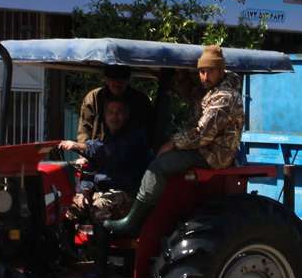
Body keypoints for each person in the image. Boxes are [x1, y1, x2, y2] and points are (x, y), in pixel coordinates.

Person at [104, 46, 244, 236]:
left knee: (160, 165)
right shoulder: (212, 91)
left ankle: (133, 221)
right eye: (201, 71)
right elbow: (190, 99)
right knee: (156, 154)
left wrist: (173, 143)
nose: (204, 76)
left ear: (220, 70)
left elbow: (202, 133)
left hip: (213, 154)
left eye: (209, 71)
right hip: (206, 149)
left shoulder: (224, 97)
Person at [57, 96, 150, 275]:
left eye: (119, 113)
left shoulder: (134, 139)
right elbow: (91, 168)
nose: (115, 117)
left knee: (100, 208)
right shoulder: (105, 137)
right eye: (111, 113)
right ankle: (68, 258)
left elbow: (107, 153)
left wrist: (78, 146)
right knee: (69, 206)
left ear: (127, 115)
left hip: (128, 194)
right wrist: (84, 192)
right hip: (102, 193)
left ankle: (99, 266)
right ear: (105, 116)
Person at [77, 64, 154, 143]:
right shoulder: (93, 98)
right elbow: (84, 131)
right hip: (98, 150)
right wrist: (83, 149)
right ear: (106, 79)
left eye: (122, 78)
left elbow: (151, 130)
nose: (117, 82)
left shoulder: (141, 100)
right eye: (113, 78)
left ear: (128, 80)